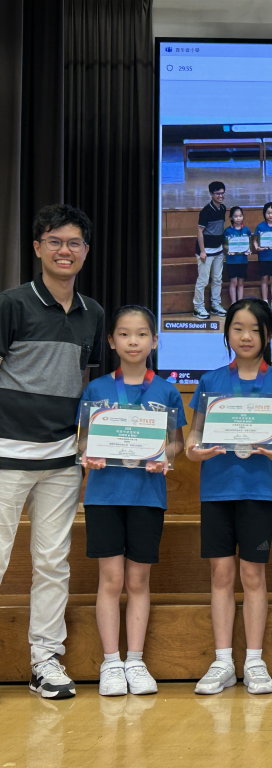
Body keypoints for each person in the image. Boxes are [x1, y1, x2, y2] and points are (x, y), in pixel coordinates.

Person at [0, 204, 104, 699]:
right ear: (38, 247)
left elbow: (82, 382)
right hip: (6, 455)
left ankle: (45, 660)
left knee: (52, 562)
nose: (66, 251)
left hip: (63, 461)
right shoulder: (12, 304)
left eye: (74, 243)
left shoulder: (93, 313)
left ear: (86, 251)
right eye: (56, 241)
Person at [186, 299, 272, 695]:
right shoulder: (210, 381)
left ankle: (254, 660)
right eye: (238, 328)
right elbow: (194, 433)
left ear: (269, 334)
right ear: (227, 334)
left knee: (252, 574)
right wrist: (193, 451)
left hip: (259, 491)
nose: (246, 336)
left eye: (255, 329)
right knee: (221, 574)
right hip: (216, 490)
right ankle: (222, 661)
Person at [79, 306, 185, 696]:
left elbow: (176, 442)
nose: (133, 341)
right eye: (124, 334)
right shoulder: (96, 389)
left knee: (138, 579)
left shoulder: (167, 390)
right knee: (111, 579)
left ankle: (136, 661)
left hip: (147, 496)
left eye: (141, 334)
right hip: (104, 495)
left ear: (154, 341)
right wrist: (89, 454)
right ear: (111, 341)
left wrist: (163, 455)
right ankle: (111, 663)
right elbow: (83, 439)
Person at [195, 181, 228, 320]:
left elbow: (219, 229)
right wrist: (202, 251)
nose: (221, 196)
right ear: (211, 194)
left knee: (217, 279)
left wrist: (223, 248)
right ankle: (198, 307)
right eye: (217, 193)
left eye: (222, 193)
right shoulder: (206, 211)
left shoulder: (223, 208)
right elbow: (200, 231)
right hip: (206, 251)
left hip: (218, 250)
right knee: (203, 280)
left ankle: (215, 305)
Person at [223, 206, 252, 305]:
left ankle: (240, 302)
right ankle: (233, 302)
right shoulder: (228, 231)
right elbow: (225, 245)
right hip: (231, 261)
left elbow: (249, 244)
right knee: (233, 282)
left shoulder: (246, 230)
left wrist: (248, 251)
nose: (238, 218)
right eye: (236, 216)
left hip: (242, 260)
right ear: (231, 217)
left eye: (240, 216)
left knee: (240, 282)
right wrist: (229, 249)